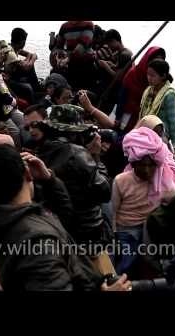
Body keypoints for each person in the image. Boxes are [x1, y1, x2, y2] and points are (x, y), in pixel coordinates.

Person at [0, 144, 131, 291]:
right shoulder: (37, 244)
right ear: (27, 174)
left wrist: (49, 180)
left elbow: (63, 217)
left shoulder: (8, 217)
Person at [112, 127, 175, 276]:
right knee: (126, 262)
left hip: (150, 230)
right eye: (142, 165)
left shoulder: (161, 181)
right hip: (126, 230)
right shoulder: (121, 181)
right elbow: (114, 210)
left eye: (151, 166)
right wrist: (114, 233)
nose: (147, 170)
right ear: (133, 164)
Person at [36, 104, 113, 246]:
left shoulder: (40, 152)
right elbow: (104, 192)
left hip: (57, 228)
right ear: (73, 133)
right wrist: (96, 157)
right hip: (86, 234)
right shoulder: (77, 154)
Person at [115, 46, 167, 133]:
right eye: (154, 60)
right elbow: (122, 96)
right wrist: (118, 117)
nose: (155, 64)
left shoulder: (158, 82)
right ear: (147, 59)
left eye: (159, 61)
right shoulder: (133, 74)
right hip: (126, 114)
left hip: (143, 121)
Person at [139, 59, 175, 156]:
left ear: (163, 76)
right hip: (146, 129)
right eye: (148, 74)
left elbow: (173, 122)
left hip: (160, 135)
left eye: (152, 75)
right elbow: (142, 114)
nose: (149, 78)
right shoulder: (149, 90)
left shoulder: (169, 95)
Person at [54, 21, 97, 90]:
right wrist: (58, 57)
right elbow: (59, 46)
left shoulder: (88, 24)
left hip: (87, 66)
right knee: (72, 91)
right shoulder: (64, 26)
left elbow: (83, 44)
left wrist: (67, 59)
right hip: (71, 66)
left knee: (85, 92)